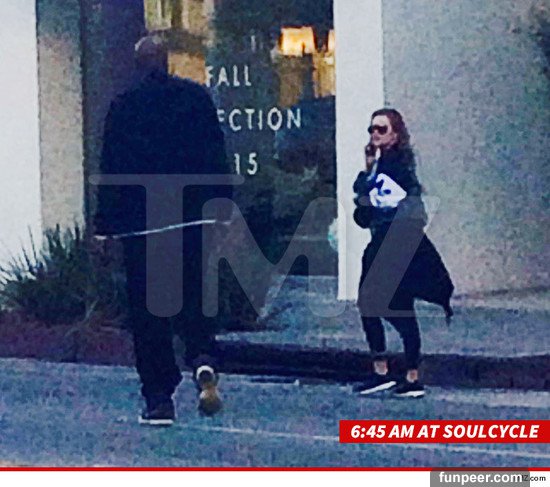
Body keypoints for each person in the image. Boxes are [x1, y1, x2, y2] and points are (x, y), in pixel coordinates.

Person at [94, 35, 232, 425]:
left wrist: (105, 225)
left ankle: (159, 398)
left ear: (138, 64)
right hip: (190, 218)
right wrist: (222, 206)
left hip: (143, 226)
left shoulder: (123, 105)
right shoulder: (196, 99)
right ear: (167, 61)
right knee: (193, 294)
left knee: (148, 314)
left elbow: (112, 168)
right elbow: (215, 154)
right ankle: (202, 355)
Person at [352, 108, 454, 398]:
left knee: (382, 304)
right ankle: (394, 372)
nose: (375, 134)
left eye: (381, 129)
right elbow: (364, 209)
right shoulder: (380, 165)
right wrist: (368, 168)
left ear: (395, 135)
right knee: (382, 304)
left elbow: (403, 205)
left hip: (395, 245)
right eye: (372, 129)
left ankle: (401, 374)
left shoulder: (398, 166)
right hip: (384, 243)